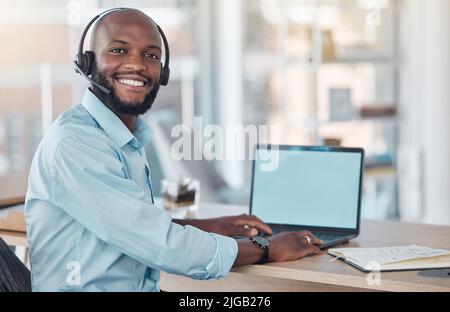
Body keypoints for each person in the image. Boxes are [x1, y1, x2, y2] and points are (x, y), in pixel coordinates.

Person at [25, 8, 321, 292]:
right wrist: (266, 248)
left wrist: (207, 226)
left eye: (151, 55)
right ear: (87, 62)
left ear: (163, 72)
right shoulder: (77, 143)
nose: (138, 64)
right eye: (118, 50)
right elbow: (158, 244)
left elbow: (131, 222)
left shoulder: (123, 138)